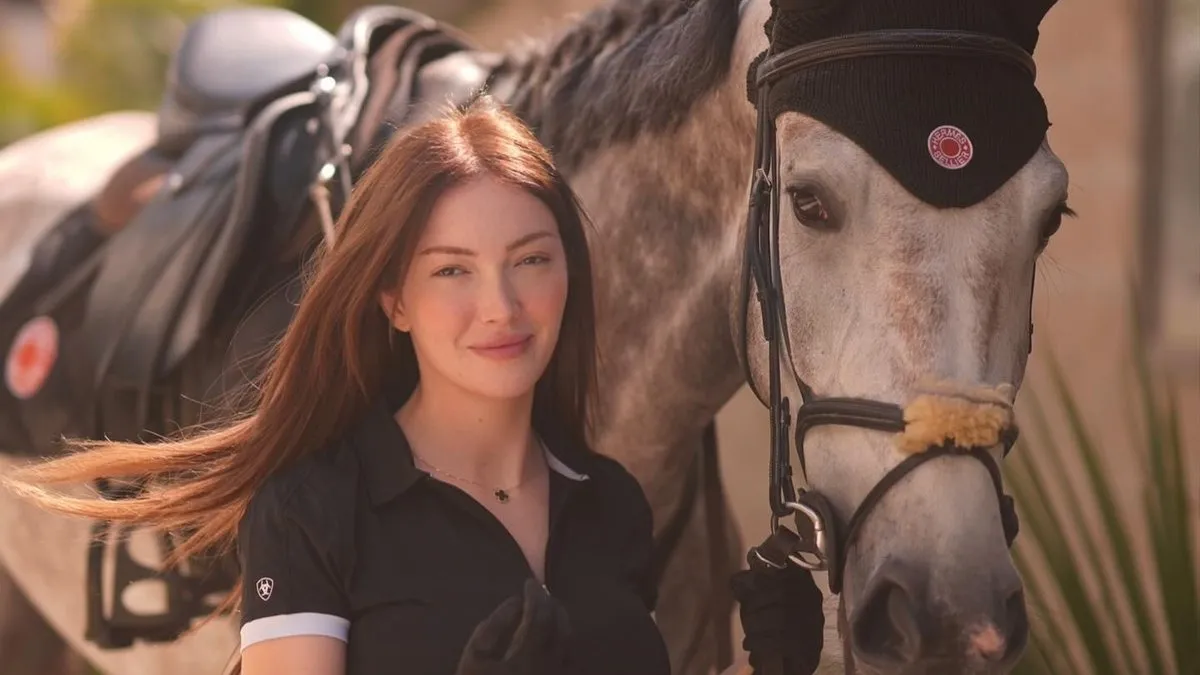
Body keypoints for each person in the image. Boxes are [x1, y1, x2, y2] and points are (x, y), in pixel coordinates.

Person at [4, 95, 824, 675]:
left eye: (531, 259)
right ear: (393, 298)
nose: (500, 307)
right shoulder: (314, 510)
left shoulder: (610, 501)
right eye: (453, 271)